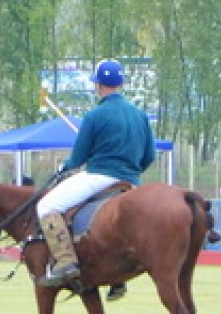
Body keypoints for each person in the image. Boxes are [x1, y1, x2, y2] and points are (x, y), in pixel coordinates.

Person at [34, 59, 155, 288]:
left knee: (46, 206)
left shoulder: (94, 116)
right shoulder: (141, 116)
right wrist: (130, 171)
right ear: (121, 84)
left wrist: (63, 168)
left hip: (99, 176)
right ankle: (118, 277)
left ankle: (65, 261)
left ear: (99, 85)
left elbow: (78, 158)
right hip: (131, 181)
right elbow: (149, 156)